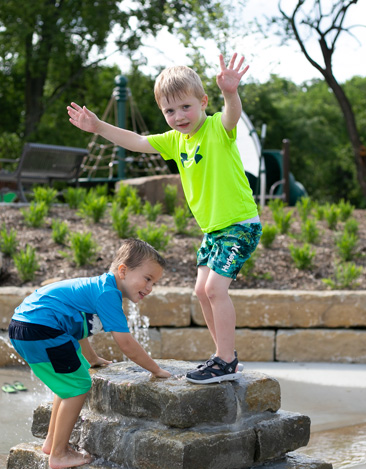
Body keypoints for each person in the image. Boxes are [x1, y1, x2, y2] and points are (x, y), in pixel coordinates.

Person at [67, 53, 261, 385]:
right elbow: (137, 141)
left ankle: (225, 360)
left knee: (215, 289)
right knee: (202, 291)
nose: (178, 116)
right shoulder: (175, 141)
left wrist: (231, 91)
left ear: (203, 102)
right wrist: (98, 126)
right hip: (213, 230)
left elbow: (233, 114)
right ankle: (224, 354)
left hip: (239, 224)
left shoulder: (217, 127)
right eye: (169, 111)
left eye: (185, 107)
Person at [8, 239, 172, 469]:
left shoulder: (98, 288)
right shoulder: (108, 293)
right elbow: (125, 343)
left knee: (67, 384)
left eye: (154, 282)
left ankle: (52, 443)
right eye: (147, 279)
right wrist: (156, 370)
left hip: (27, 325)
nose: (150, 288)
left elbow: (77, 330)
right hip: (41, 328)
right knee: (79, 386)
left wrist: (93, 359)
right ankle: (59, 454)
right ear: (123, 271)